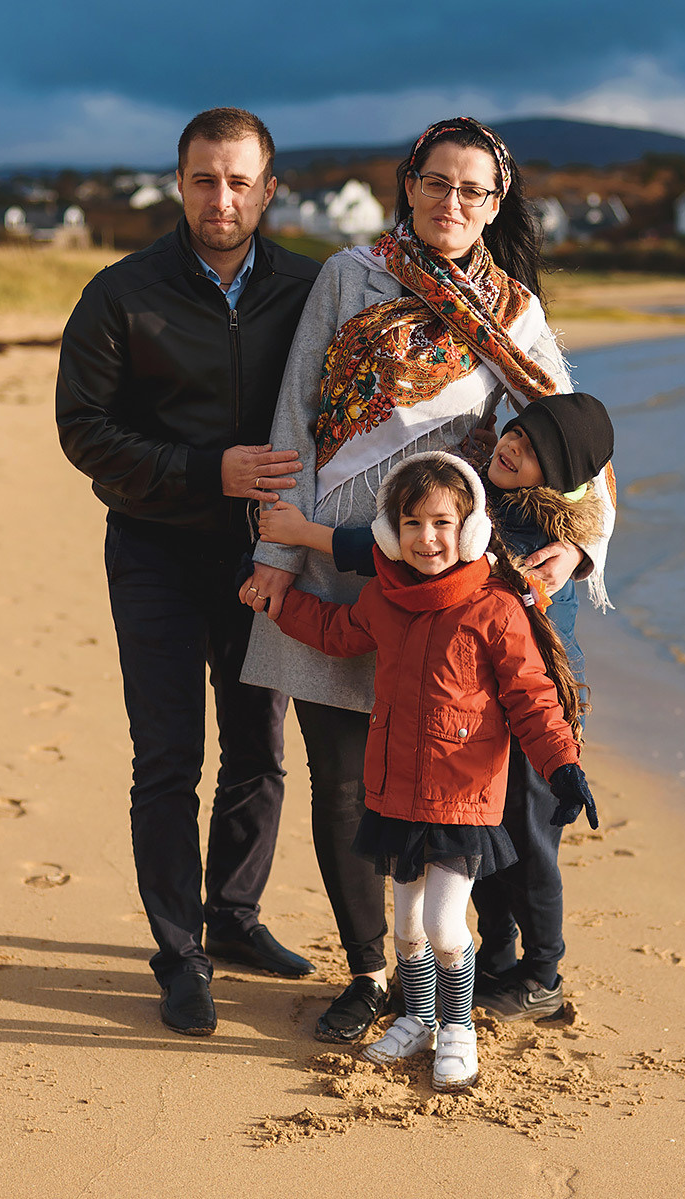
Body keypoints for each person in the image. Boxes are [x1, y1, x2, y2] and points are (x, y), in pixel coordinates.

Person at [237, 117, 614, 1043]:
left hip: (453, 590)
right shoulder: (347, 277)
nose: (452, 202)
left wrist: (583, 550)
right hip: (336, 565)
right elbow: (295, 414)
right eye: (437, 182)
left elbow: (576, 440)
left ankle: (457, 969)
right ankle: (371, 971)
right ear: (408, 185)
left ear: (495, 204)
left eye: (472, 190)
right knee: (342, 781)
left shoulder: (514, 312)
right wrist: (276, 556)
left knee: (454, 784)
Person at [56, 107, 321, 1037]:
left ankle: (236, 918)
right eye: (205, 179)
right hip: (154, 551)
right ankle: (181, 955)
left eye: (240, 181)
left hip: (265, 560)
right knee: (168, 759)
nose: (222, 198)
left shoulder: (309, 289)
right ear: (179, 183)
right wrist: (211, 470)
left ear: (269, 189)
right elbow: (85, 432)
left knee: (259, 748)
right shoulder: (120, 293)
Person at [259, 392, 615, 1022]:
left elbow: (378, 550)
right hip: (481, 712)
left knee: (530, 846)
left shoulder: (528, 534)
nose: (513, 446)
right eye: (516, 432)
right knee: (487, 841)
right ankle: (496, 961)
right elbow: (394, 551)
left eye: (533, 451)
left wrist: (303, 536)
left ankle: (542, 975)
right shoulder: (484, 498)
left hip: (535, 705)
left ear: (559, 478)